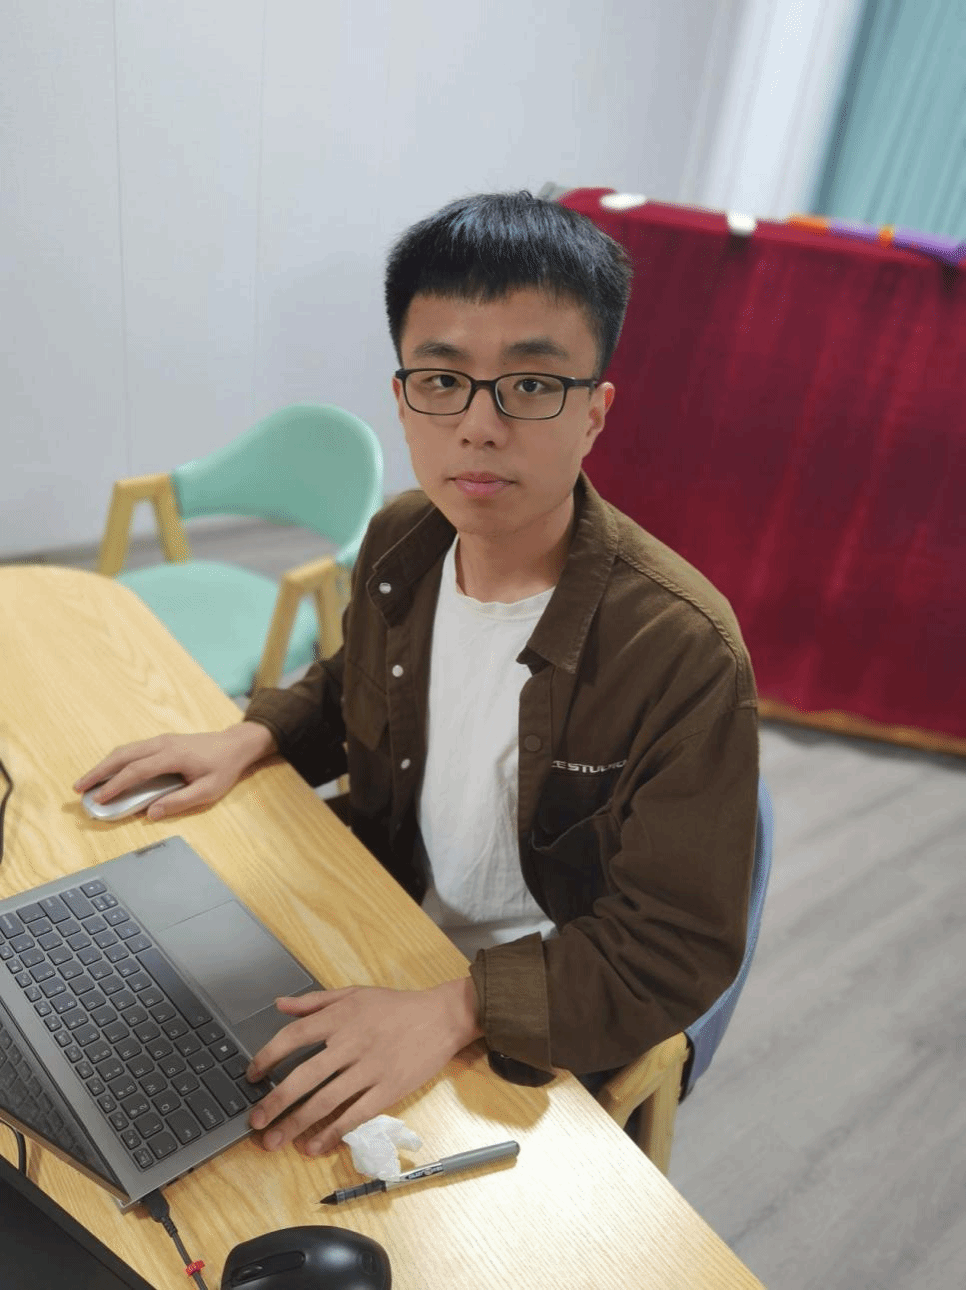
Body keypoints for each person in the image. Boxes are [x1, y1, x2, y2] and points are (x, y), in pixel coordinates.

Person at [74, 191, 759, 1159]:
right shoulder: (405, 539)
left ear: (595, 414)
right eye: (442, 379)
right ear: (402, 399)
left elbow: (674, 946)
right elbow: (359, 675)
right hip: (386, 917)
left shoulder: (681, 649)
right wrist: (253, 733)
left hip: (538, 1013)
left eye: (531, 384)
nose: (478, 426)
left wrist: (454, 1009)